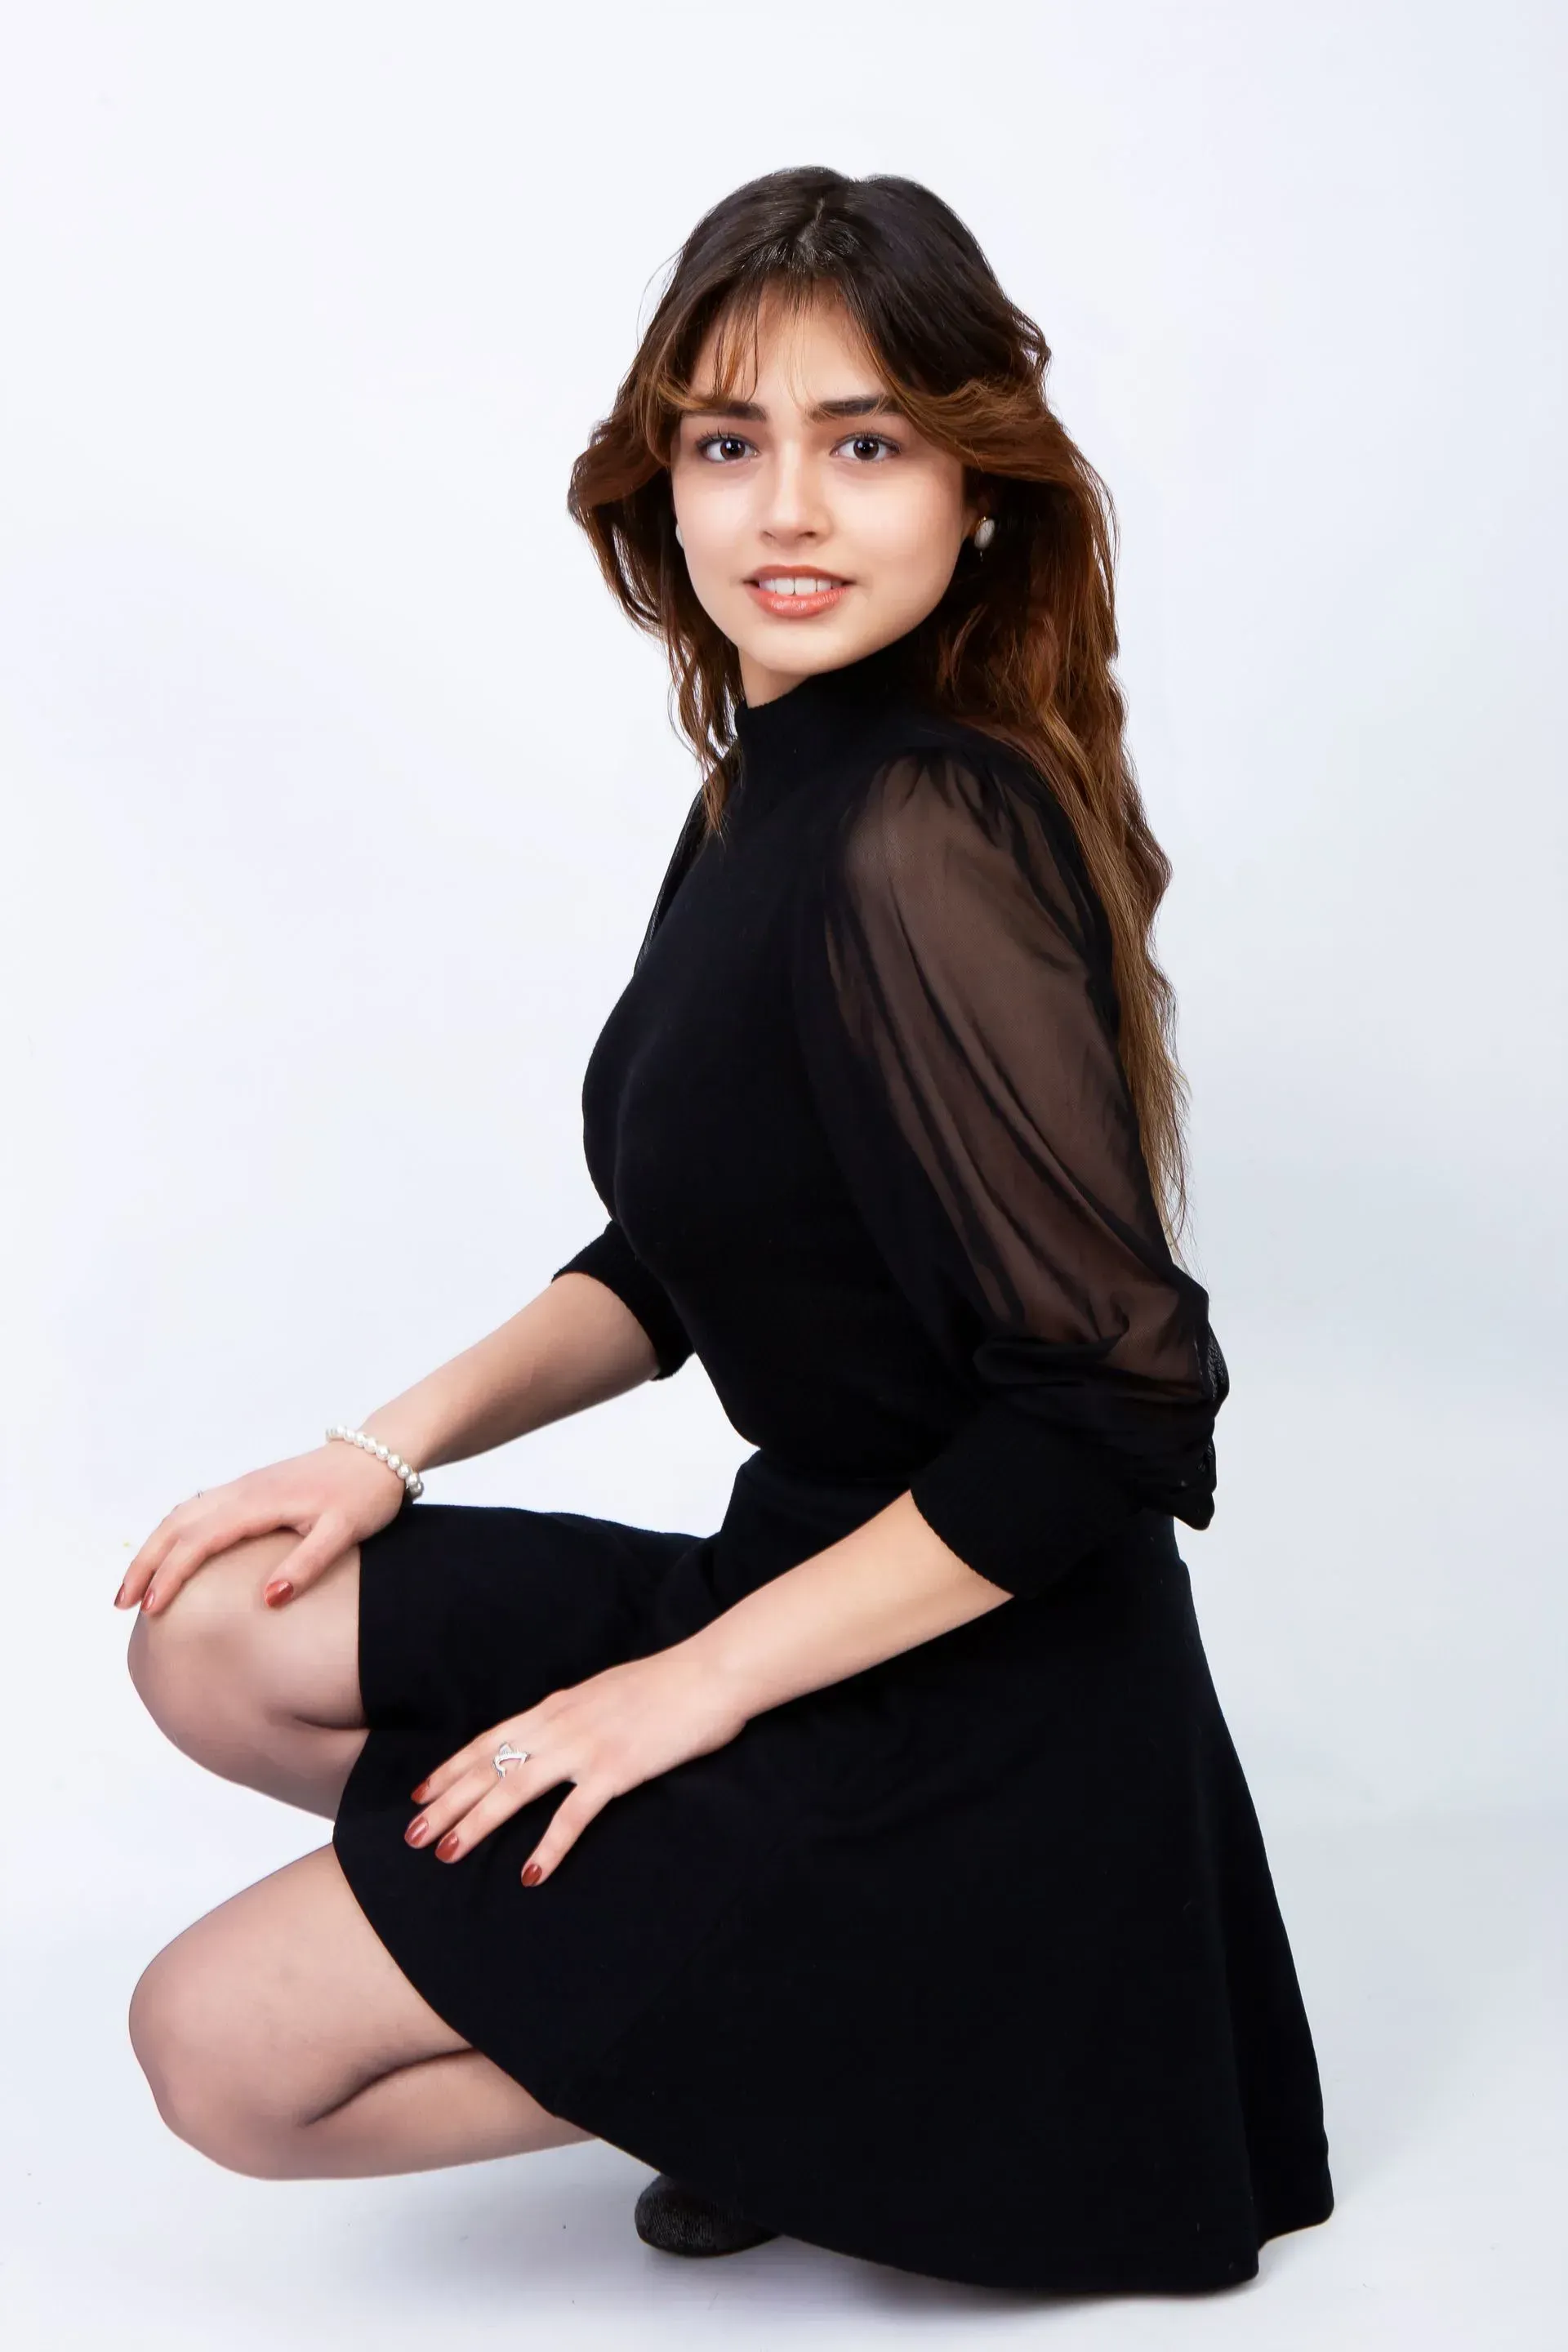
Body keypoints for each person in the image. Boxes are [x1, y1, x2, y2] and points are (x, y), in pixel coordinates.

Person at [118, 166, 1334, 2295]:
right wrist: (377, 1452)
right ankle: (762, 2020)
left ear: (978, 492)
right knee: (219, 1630)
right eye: (727, 442)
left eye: (863, 444)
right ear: (660, 490)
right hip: (799, 1581)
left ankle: (888, 2038)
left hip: (980, 1706)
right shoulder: (773, 782)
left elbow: (1110, 1415)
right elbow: (692, 1251)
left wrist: (673, 1701)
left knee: (218, 2052)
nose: (787, 507)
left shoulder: (921, 835)